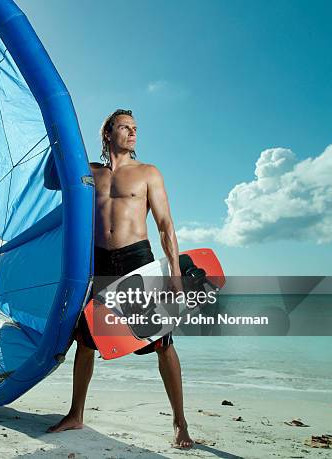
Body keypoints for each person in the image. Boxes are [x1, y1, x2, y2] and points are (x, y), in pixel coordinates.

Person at [45, 109, 193, 449]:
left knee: (162, 343)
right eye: (124, 127)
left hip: (135, 258)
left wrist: (174, 273)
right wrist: (57, 142)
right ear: (107, 134)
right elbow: (52, 181)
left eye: (135, 128)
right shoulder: (90, 174)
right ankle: (76, 413)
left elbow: (165, 225)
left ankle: (179, 422)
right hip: (97, 260)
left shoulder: (148, 173)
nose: (132, 133)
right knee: (86, 337)